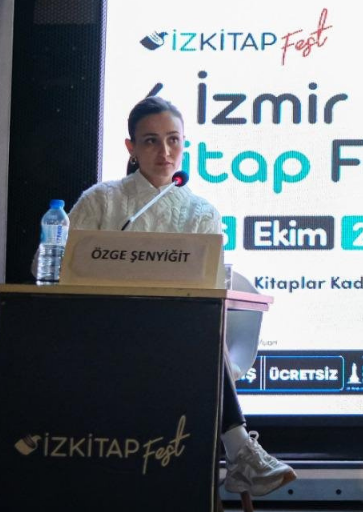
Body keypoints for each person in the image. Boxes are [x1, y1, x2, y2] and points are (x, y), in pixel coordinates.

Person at [67, 96, 297, 498]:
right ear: (131, 148)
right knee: (194, 335)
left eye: (173, 140)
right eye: (151, 141)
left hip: (177, 336)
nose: (165, 152)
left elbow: (210, 288)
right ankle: (240, 451)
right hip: (105, 334)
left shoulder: (201, 211)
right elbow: (48, 264)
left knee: (201, 326)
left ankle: (240, 451)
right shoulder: (102, 200)